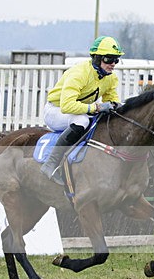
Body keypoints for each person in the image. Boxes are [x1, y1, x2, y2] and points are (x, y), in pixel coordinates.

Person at [40, 36, 124, 185]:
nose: (112, 64)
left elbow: (112, 101)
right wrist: (96, 107)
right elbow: (67, 106)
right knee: (82, 120)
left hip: (78, 110)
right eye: (108, 59)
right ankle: (50, 164)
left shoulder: (110, 78)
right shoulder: (79, 73)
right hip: (56, 111)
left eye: (116, 60)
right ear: (97, 58)